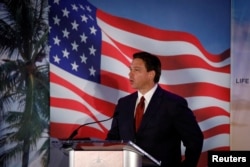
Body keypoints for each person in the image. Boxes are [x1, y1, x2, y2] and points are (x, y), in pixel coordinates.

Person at [106, 51, 204, 167]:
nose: (130, 74)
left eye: (136, 70)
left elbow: (194, 141)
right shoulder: (124, 104)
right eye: (130, 69)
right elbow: (113, 139)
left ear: (151, 74)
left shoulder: (173, 104)